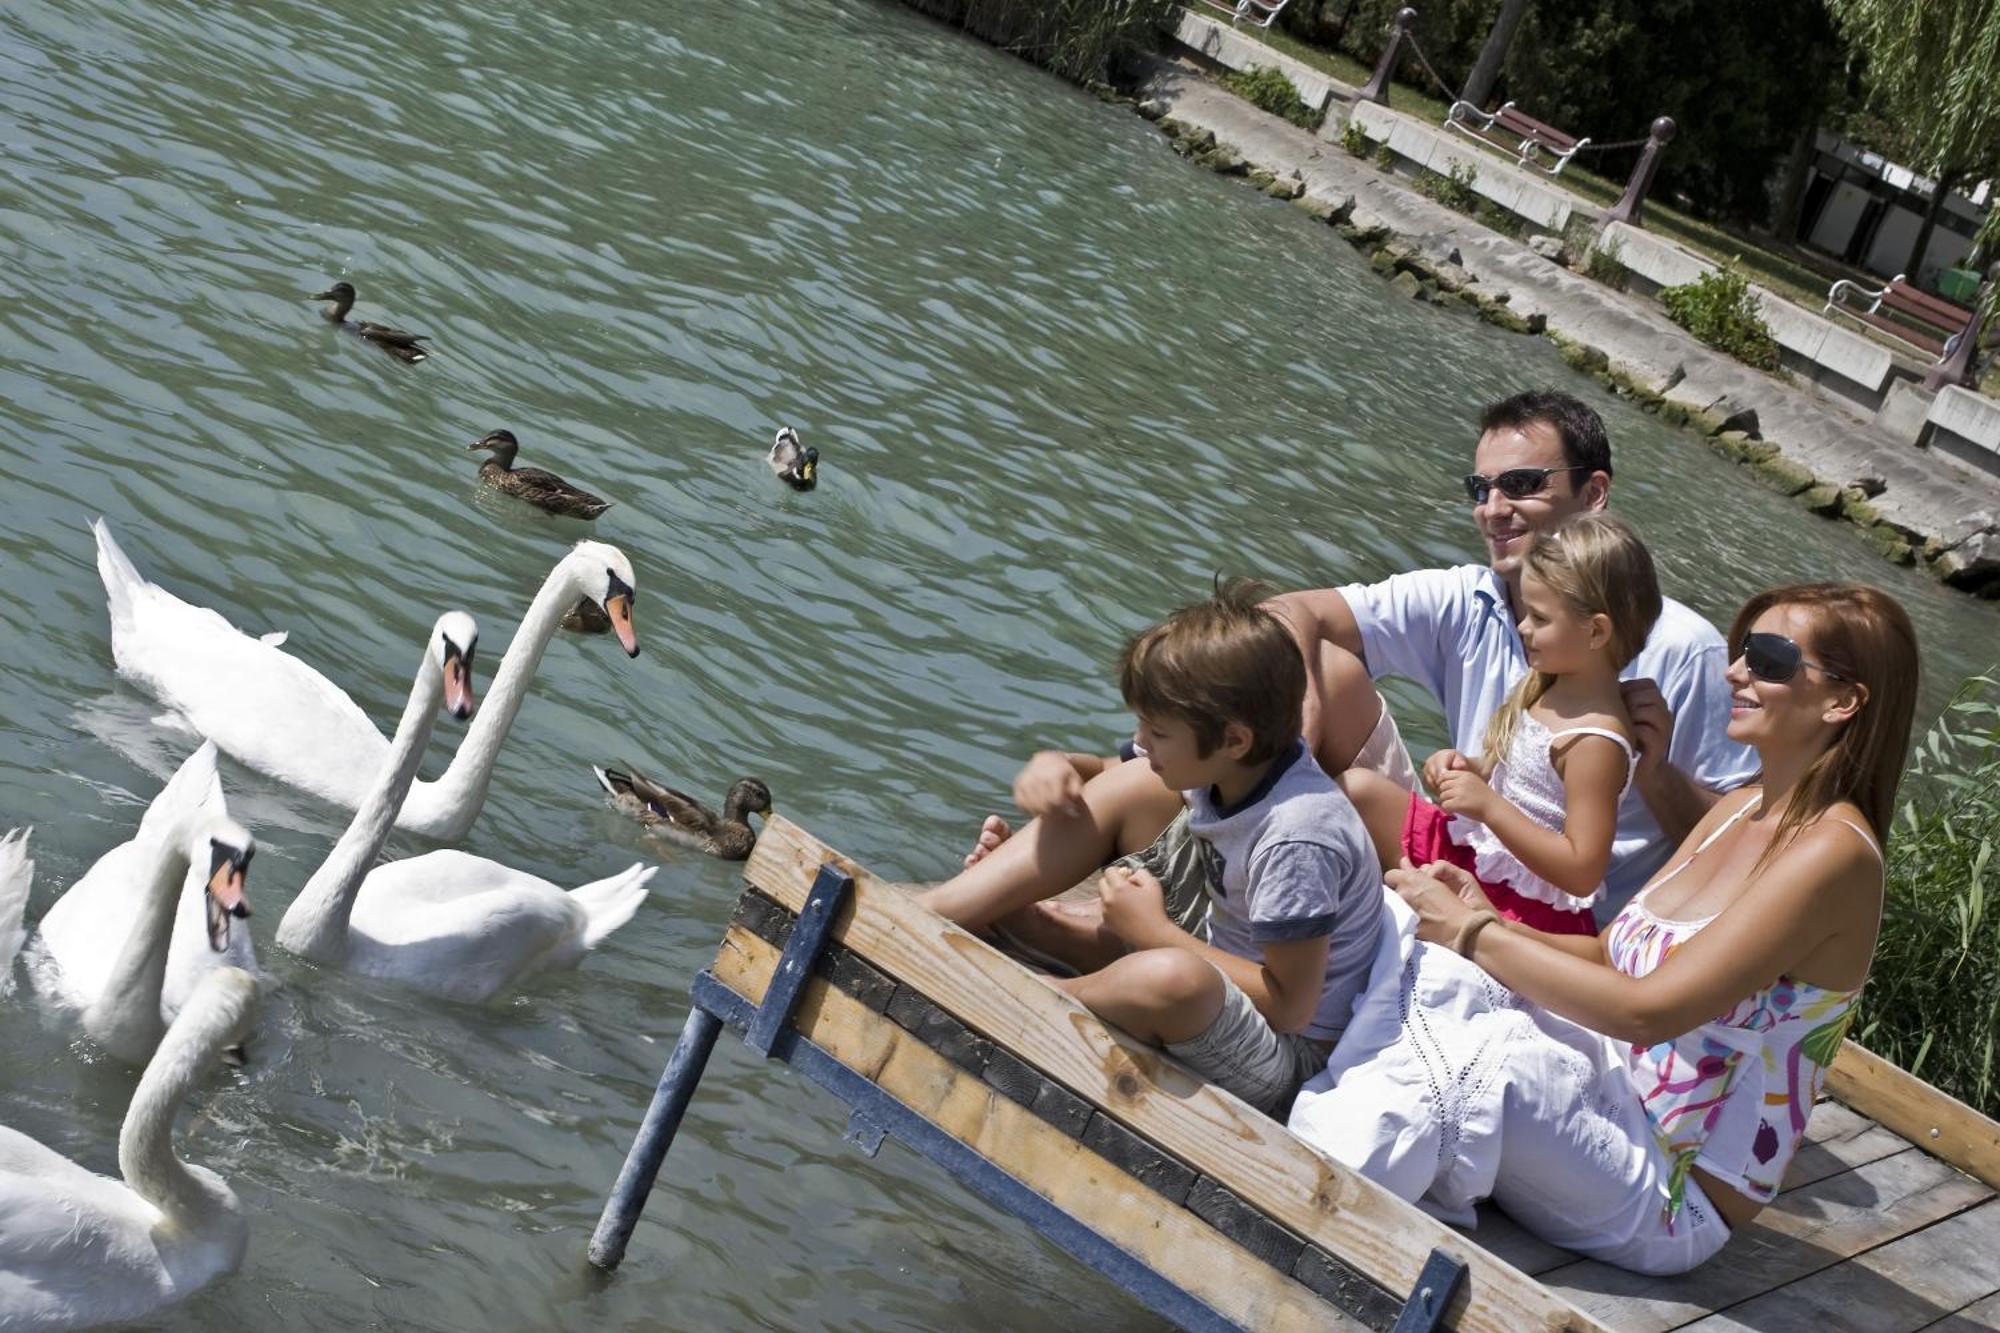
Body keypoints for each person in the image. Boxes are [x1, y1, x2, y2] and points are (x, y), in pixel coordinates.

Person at [1287, 583, 1918, 1275]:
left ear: (1842, 700)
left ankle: (1312, 1207)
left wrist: (1474, 934)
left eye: (1767, 658)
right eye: (1741, 652)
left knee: (1495, 1065)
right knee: (1440, 968)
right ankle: (1328, 1163)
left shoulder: (1835, 854)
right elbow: (1614, 955)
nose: (1734, 671)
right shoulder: (1742, 805)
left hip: (1669, 1188)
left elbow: (1648, 1011)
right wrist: (1486, 920)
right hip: (1608, 1083)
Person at [1268, 389, 1758, 916]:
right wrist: (1308, 709)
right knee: (1319, 666)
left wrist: (1657, 774)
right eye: (1481, 488)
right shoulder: (1470, 597)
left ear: (1593, 492)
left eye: (1521, 485)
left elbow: (1741, 847)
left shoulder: (1684, 650)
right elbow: (1286, 610)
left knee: (1342, 782)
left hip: (1564, 914)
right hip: (1477, 850)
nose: (1493, 510)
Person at [919, 580, 1383, 1115]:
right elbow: (1112, 772)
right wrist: (1059, 767)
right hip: (1227, 955)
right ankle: (947, 913)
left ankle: (1024, 990)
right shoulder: (1241, 763)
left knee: (1173, 980)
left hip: (1287, 1058)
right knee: (1135, 780)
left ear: (1234, 740)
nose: (1142, 739)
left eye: (1158, 731)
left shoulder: (1298, 837)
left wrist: (1153, 932)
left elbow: (1290, 1008)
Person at [1343, 513, 1660, 934]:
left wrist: (1489, 808)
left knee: (1358, 793)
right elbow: (1523, 779)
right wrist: (1471, 769)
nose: (1523, 627)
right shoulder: (1552, 684)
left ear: (1596, 632)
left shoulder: (1595, 741)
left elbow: (1582, 869)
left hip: (1521, 902)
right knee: (1357, 788)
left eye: (1541, 619)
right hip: (1480, 853)